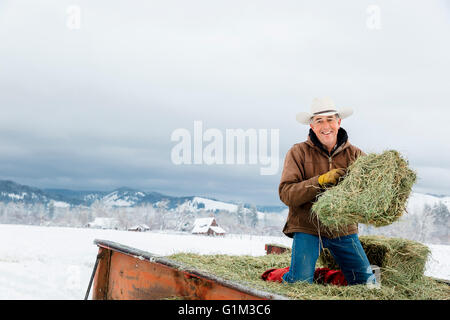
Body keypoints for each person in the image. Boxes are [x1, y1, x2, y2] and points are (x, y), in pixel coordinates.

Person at [279, 97, 375, 285]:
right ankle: (280, 276)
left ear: (339, 122)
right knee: (300, 283)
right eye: (319, 120)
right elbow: (286, 193)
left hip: (343, 228)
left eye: (330, 119)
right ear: (312, 126)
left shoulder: (356, 155)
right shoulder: (298, 152)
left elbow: (369, 190)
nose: (326, 126)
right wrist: (320, 181)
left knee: (367, 284)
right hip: (307, 226)